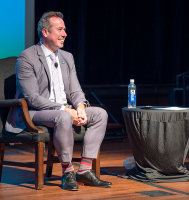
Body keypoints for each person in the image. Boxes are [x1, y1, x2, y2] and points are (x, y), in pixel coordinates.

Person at [5, 11, 112, 191]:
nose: (65, 34)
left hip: (64, 110)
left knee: (100, 114)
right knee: (63, 117)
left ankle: (84, 171)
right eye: (60, 30)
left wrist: (80, 107)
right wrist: (66, 110)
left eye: (65, 30)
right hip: (34, 112)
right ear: (45, 33)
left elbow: (75, 90)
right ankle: (67, 171)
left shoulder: (67, 57)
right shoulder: (27, 57)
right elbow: (32, 98)